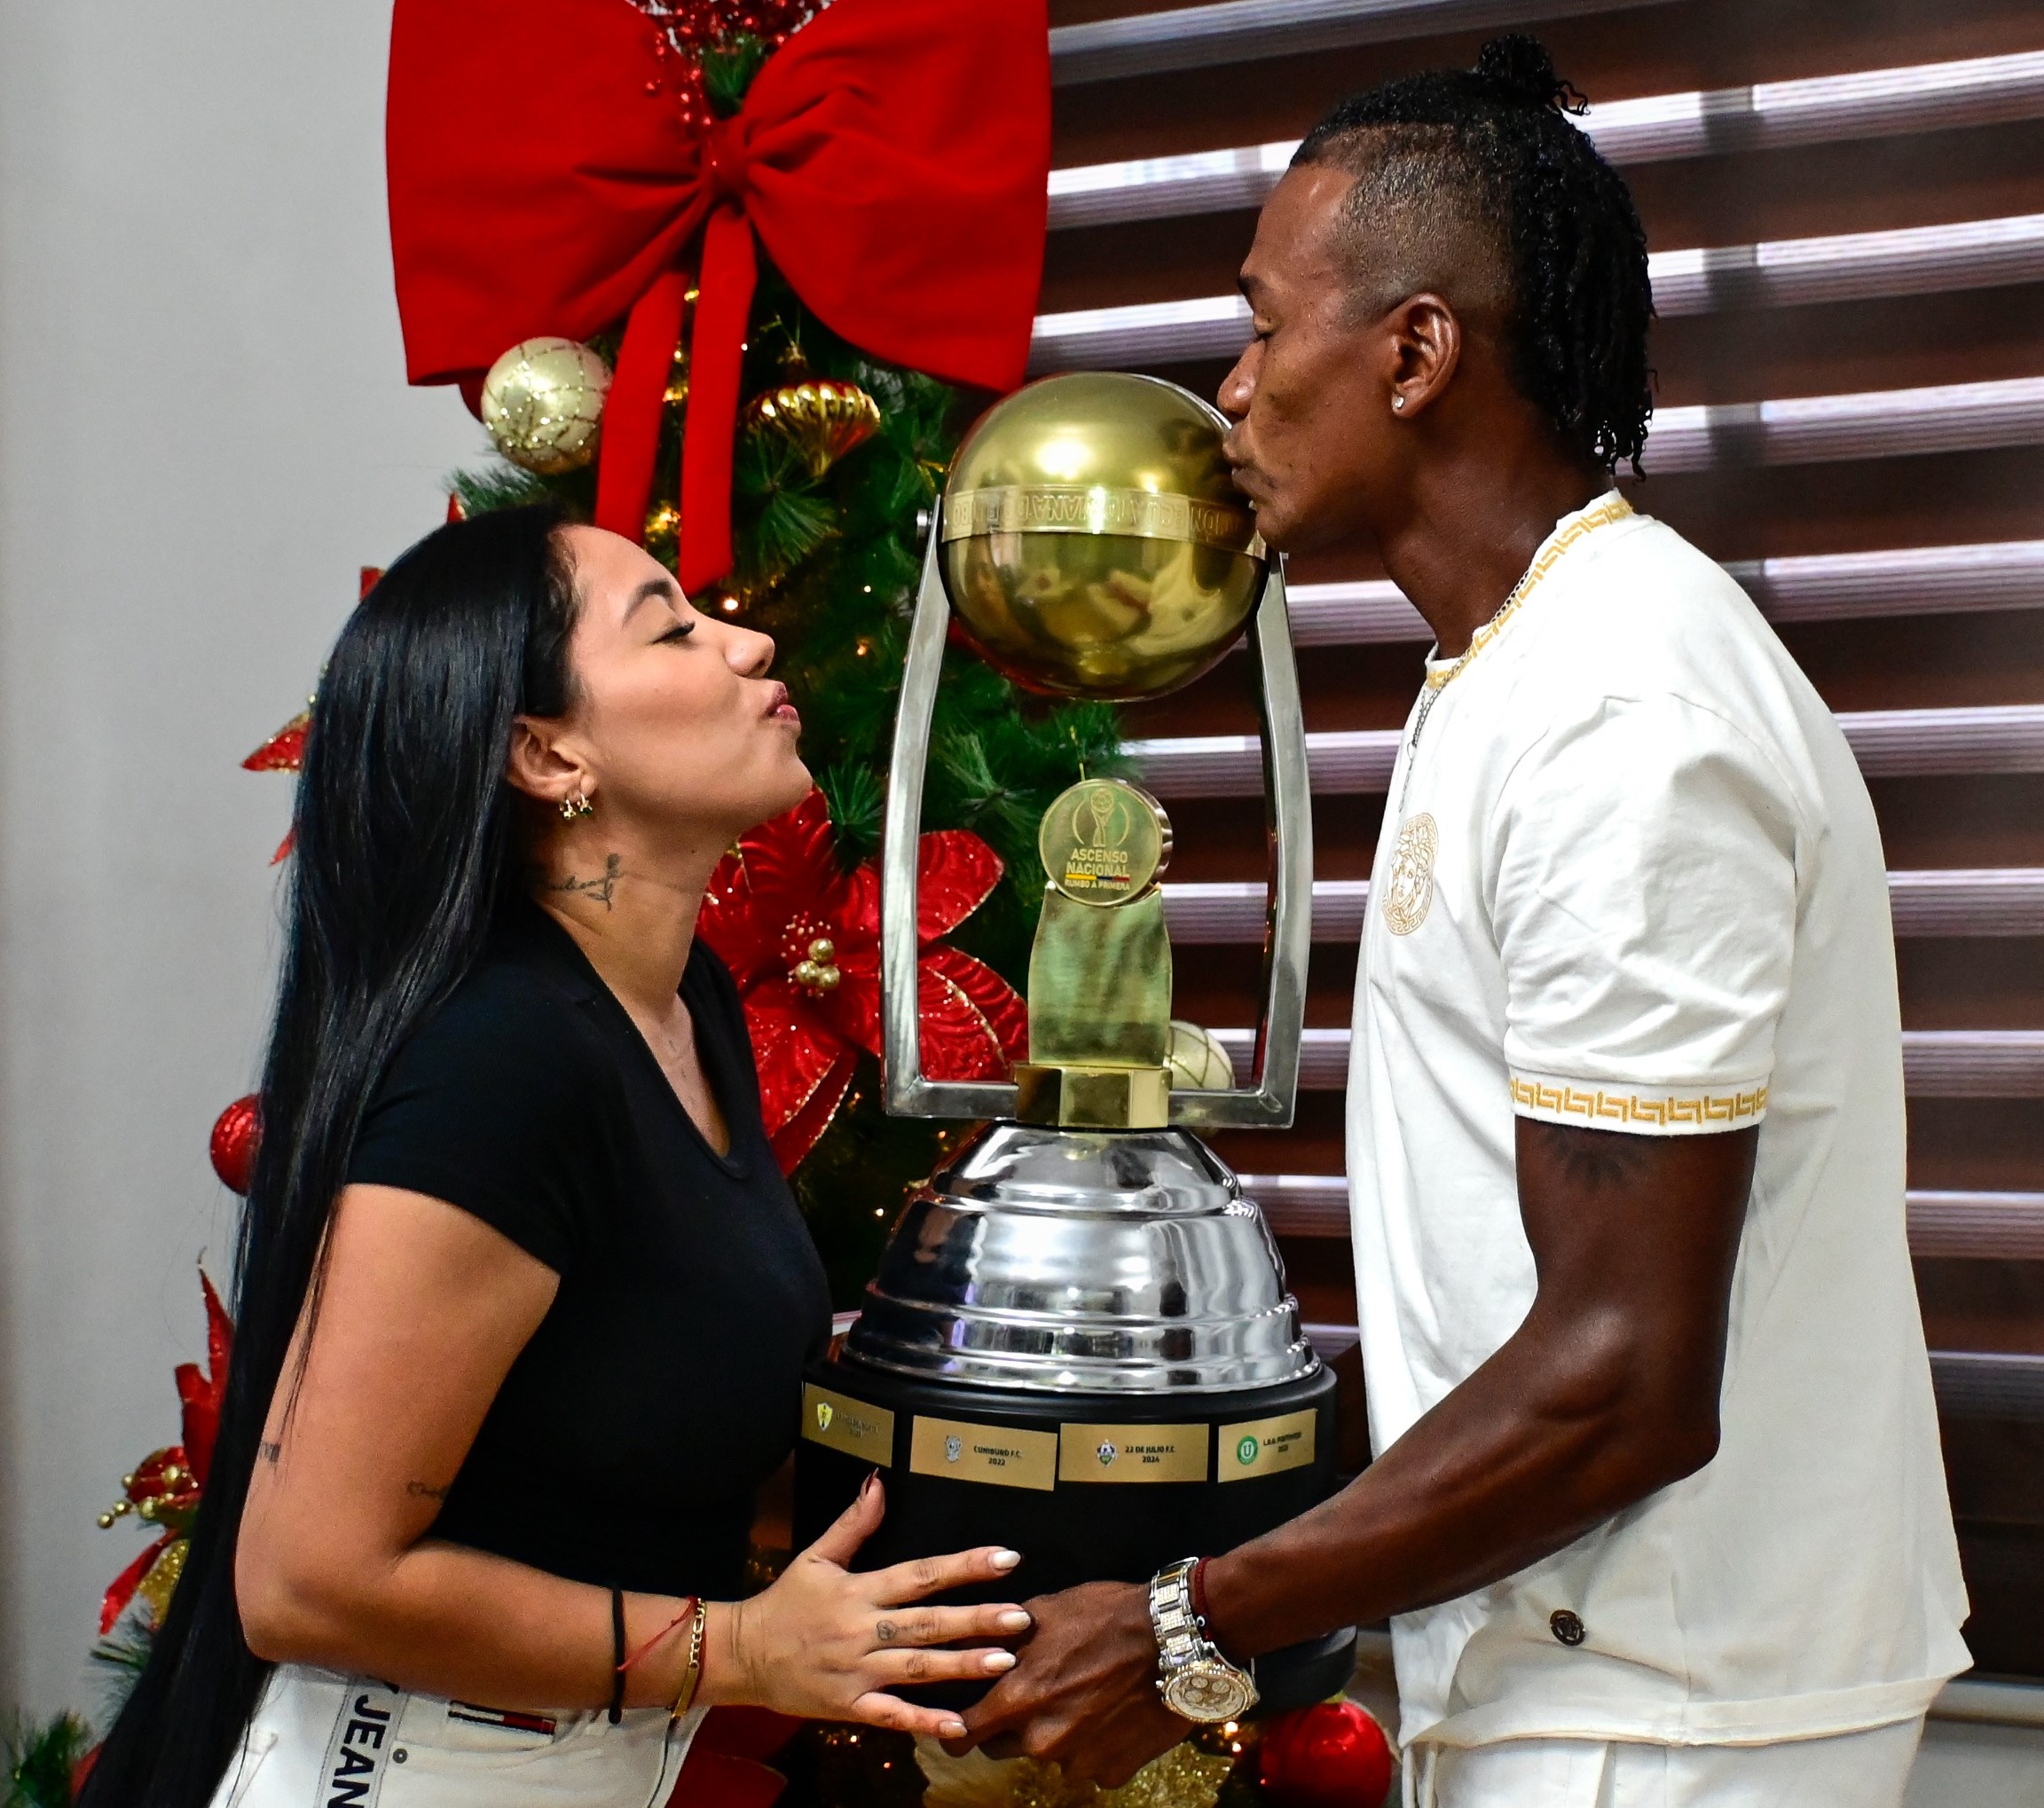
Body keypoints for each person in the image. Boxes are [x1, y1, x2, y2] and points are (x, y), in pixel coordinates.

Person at [954, 36, 1969, 1807]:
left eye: (1270, 329)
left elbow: (1624, 1377)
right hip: (1592, 1680)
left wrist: (1195, 1620)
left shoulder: (1623, 715)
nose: (1235, 387)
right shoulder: (1515, 665)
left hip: (1671, 1709)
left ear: (1416, 352)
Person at [83, 505, 1032, 1808]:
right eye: (674, 627)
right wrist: (745, 1647)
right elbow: (305, 1579)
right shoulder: (506, 1058)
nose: (751, 644)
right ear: (545, 751)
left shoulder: (685, 1001)